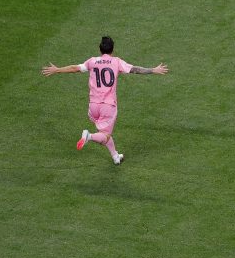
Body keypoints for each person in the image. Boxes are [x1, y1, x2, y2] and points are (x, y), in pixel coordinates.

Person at [41, 36, 168, 165]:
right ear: (113, 49)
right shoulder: (116, 62)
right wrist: (153, 70)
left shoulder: (92, 61)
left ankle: (115, 156)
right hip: (108, 106)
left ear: (100, 49)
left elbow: (75, 68)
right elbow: (135, 70)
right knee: (105, 135)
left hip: (93, 106)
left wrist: (57, 70)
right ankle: (88, 136)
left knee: (105, 133)